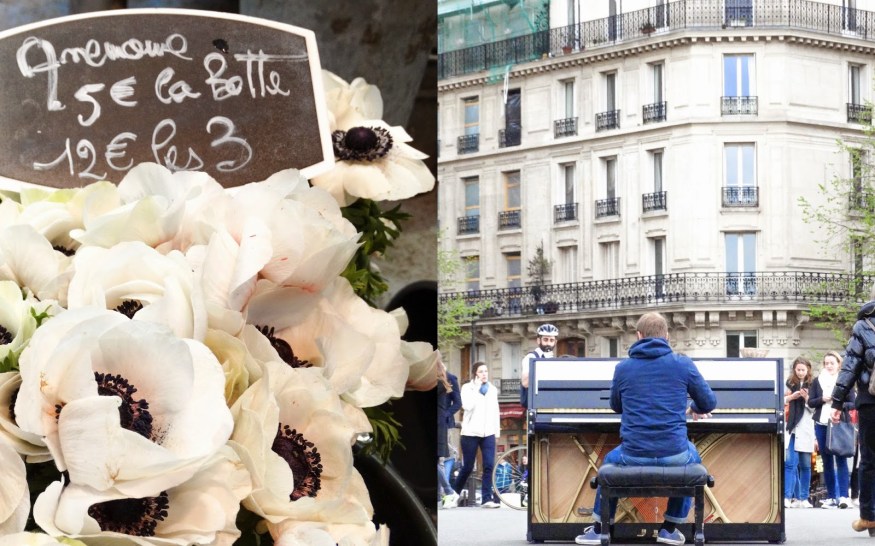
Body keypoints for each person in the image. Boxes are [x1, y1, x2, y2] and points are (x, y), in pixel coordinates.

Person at [575, 312, 716, 546]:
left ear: (638, 336)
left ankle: (600, 529)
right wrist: (693, 407)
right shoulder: (683, 363)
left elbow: (615, 406)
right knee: (694, 459)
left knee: (609, 461)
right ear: (667, 336)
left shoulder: (623, 368)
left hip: (632, 455)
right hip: (675, 453)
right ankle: (669, 529)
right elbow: (709, 403)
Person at [831, 296, 875, 534]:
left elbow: (850, 366)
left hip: (871, 401)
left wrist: (837, 401)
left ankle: (869, 517)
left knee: (869, 461)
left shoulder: (865, 326)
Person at [450, 361, 502, 508]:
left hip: (488, 433)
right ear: (475, 374)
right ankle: (453, 495)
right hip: (470, 432)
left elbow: (495, 411)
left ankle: (487, 499)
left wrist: (496, 432)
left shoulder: (492, 389)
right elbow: (467, 406)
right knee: (467, 467)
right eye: (481, 371)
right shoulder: (468, 388)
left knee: (488, 466)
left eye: (486, 371)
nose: (484, 374)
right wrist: (478, 389)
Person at [809, 350, 856, 509]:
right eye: (826, 363)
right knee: (826, 461)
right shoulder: (817, 381)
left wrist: (838, 404)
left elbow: (852, 403)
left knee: (841, 459)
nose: (829, 366)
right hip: (821, 423)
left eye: (832, 363)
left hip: (839, 423)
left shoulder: (845, 381)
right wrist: (822, 399)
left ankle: (844, 496)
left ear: (838, 365)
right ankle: (831, 496)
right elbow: (810, 402)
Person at [783, 356, 815, 508]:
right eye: (798, 370)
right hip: (792, 427)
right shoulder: (789, 383)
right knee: (789, 464)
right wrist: (791, 397)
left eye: (803, 370)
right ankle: (787, 497)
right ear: (794, 370)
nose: (801, 372)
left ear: (808, 369)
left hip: (806, 426)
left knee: (805, 465)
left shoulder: (814, 384)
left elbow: (816, 406)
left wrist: (807, 397)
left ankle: (804, 498)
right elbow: (781, 401)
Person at [437, 356, 462, 509]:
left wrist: (445, 414)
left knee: (438, 459)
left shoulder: (450, 378)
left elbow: (458, 403)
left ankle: (448, 491)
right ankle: (444, 493)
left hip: (441, 423)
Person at [519, 323, 558, 408]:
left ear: (555, 342)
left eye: (551, 340)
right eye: (545, 340)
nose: (548, 343)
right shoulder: (530, 357)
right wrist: (543, 364)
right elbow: (525, 382)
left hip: (550, 404)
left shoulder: (554, 360)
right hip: (535, 406)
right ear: (538, 341)